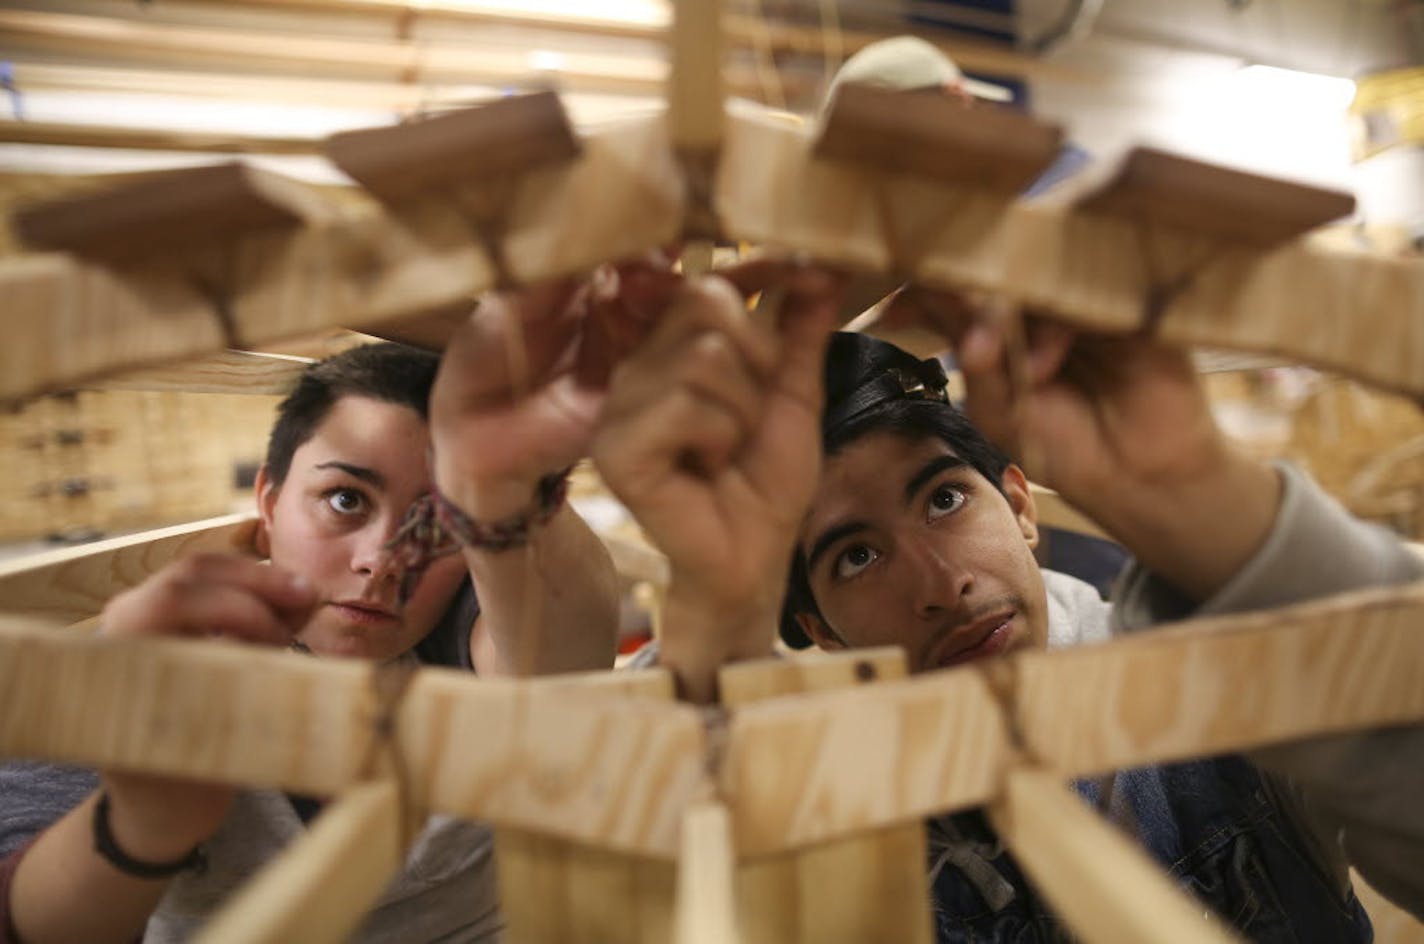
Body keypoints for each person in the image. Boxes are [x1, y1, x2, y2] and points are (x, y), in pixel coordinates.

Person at [594, 264, 1424, 940]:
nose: (939, 584)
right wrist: (714, 601)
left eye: (946, 501)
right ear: (818, 631)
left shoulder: (1211, 667)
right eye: (856, 556)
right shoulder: (831, 790)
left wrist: (1201, 493)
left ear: (1020, 507)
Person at [0, 262, 675, 943]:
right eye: (346, 500)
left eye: (438, 521)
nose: (382, 562)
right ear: (268, 502)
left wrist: (505, 486)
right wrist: (141, 823)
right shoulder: (150, 670)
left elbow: (561, 656)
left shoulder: (459, 623)